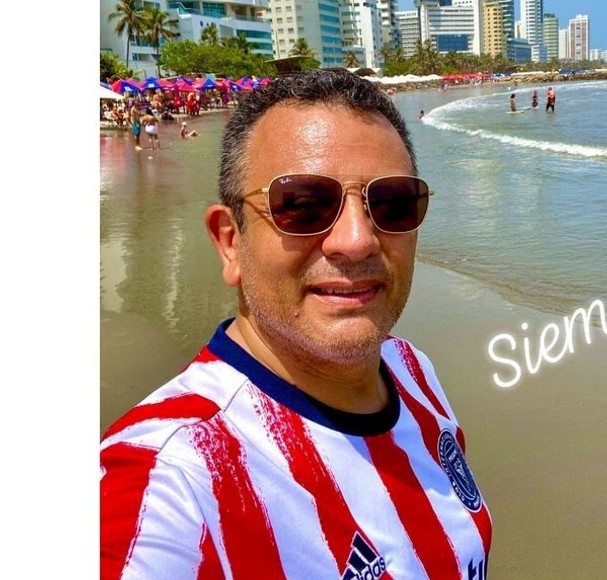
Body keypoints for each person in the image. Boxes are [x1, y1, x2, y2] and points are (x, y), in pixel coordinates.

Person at [100, 69, 493, 579]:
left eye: (392, 204)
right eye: (304, 206)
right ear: (230, 243)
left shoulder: (410, 368)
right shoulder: (171, 479)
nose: (357, 241)